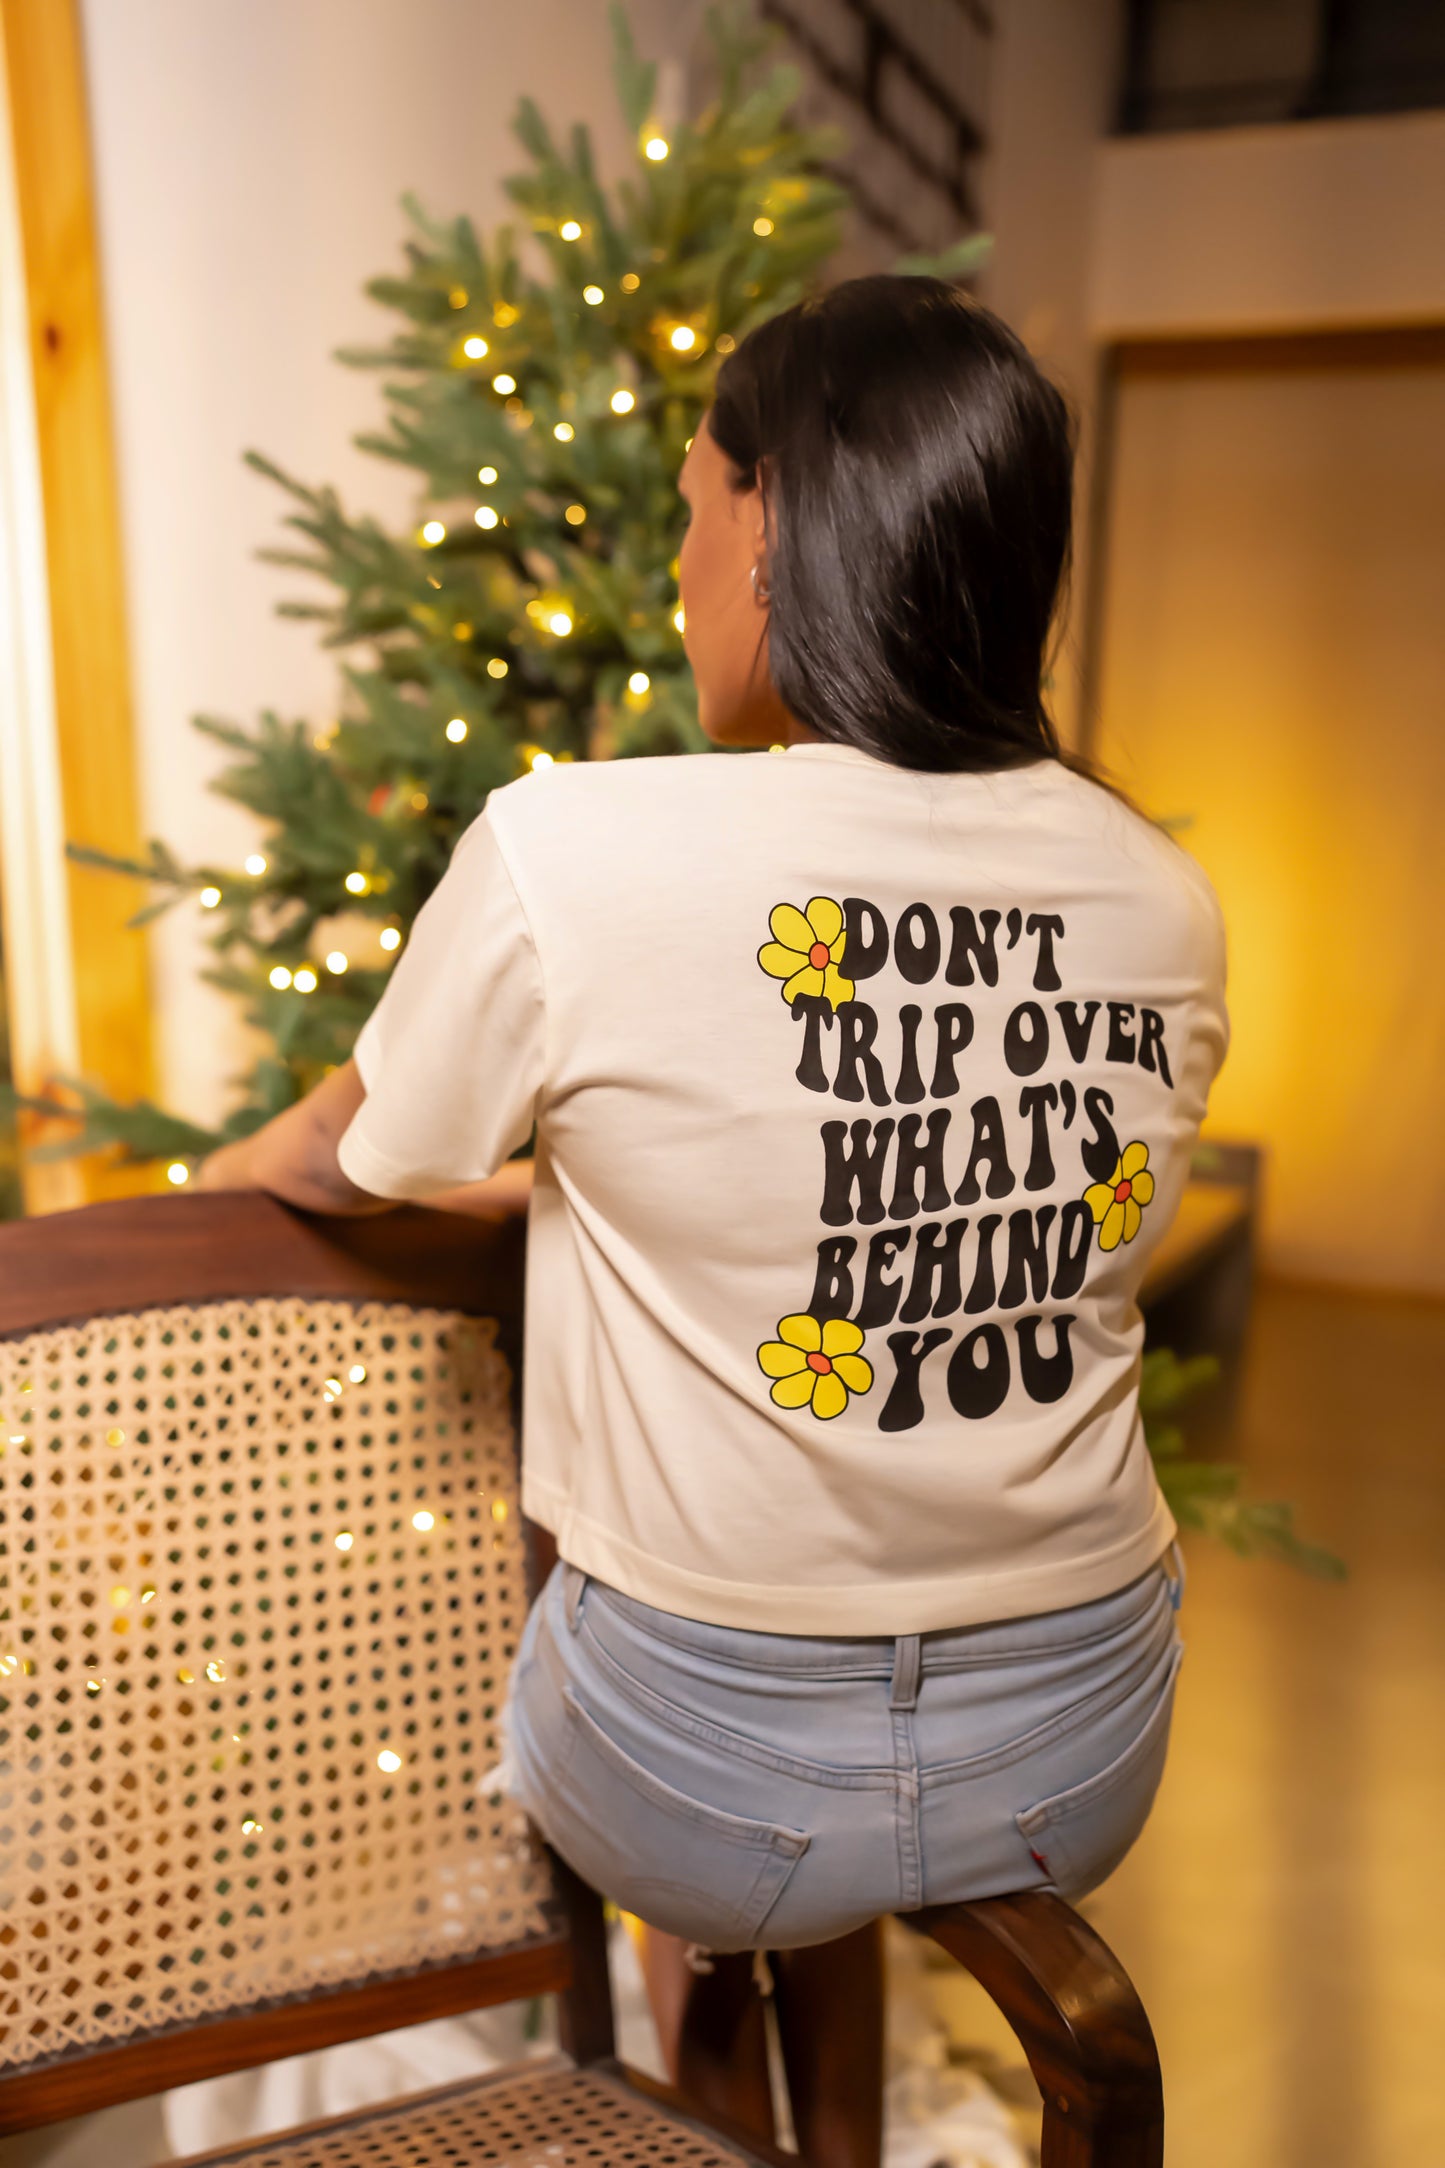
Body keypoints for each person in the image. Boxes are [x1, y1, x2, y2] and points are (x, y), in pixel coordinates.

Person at [198, 274, 1228, 2168]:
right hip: (1078, 1749)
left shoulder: (576, 845)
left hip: (701, 1776)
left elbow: (372, 1156)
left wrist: (221, 1183)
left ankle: (711, 2062)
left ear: (773, 523)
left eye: (690, 512)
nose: (679, 568)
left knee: (692, 1732)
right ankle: (823, 2108)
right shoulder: (1162, 898)